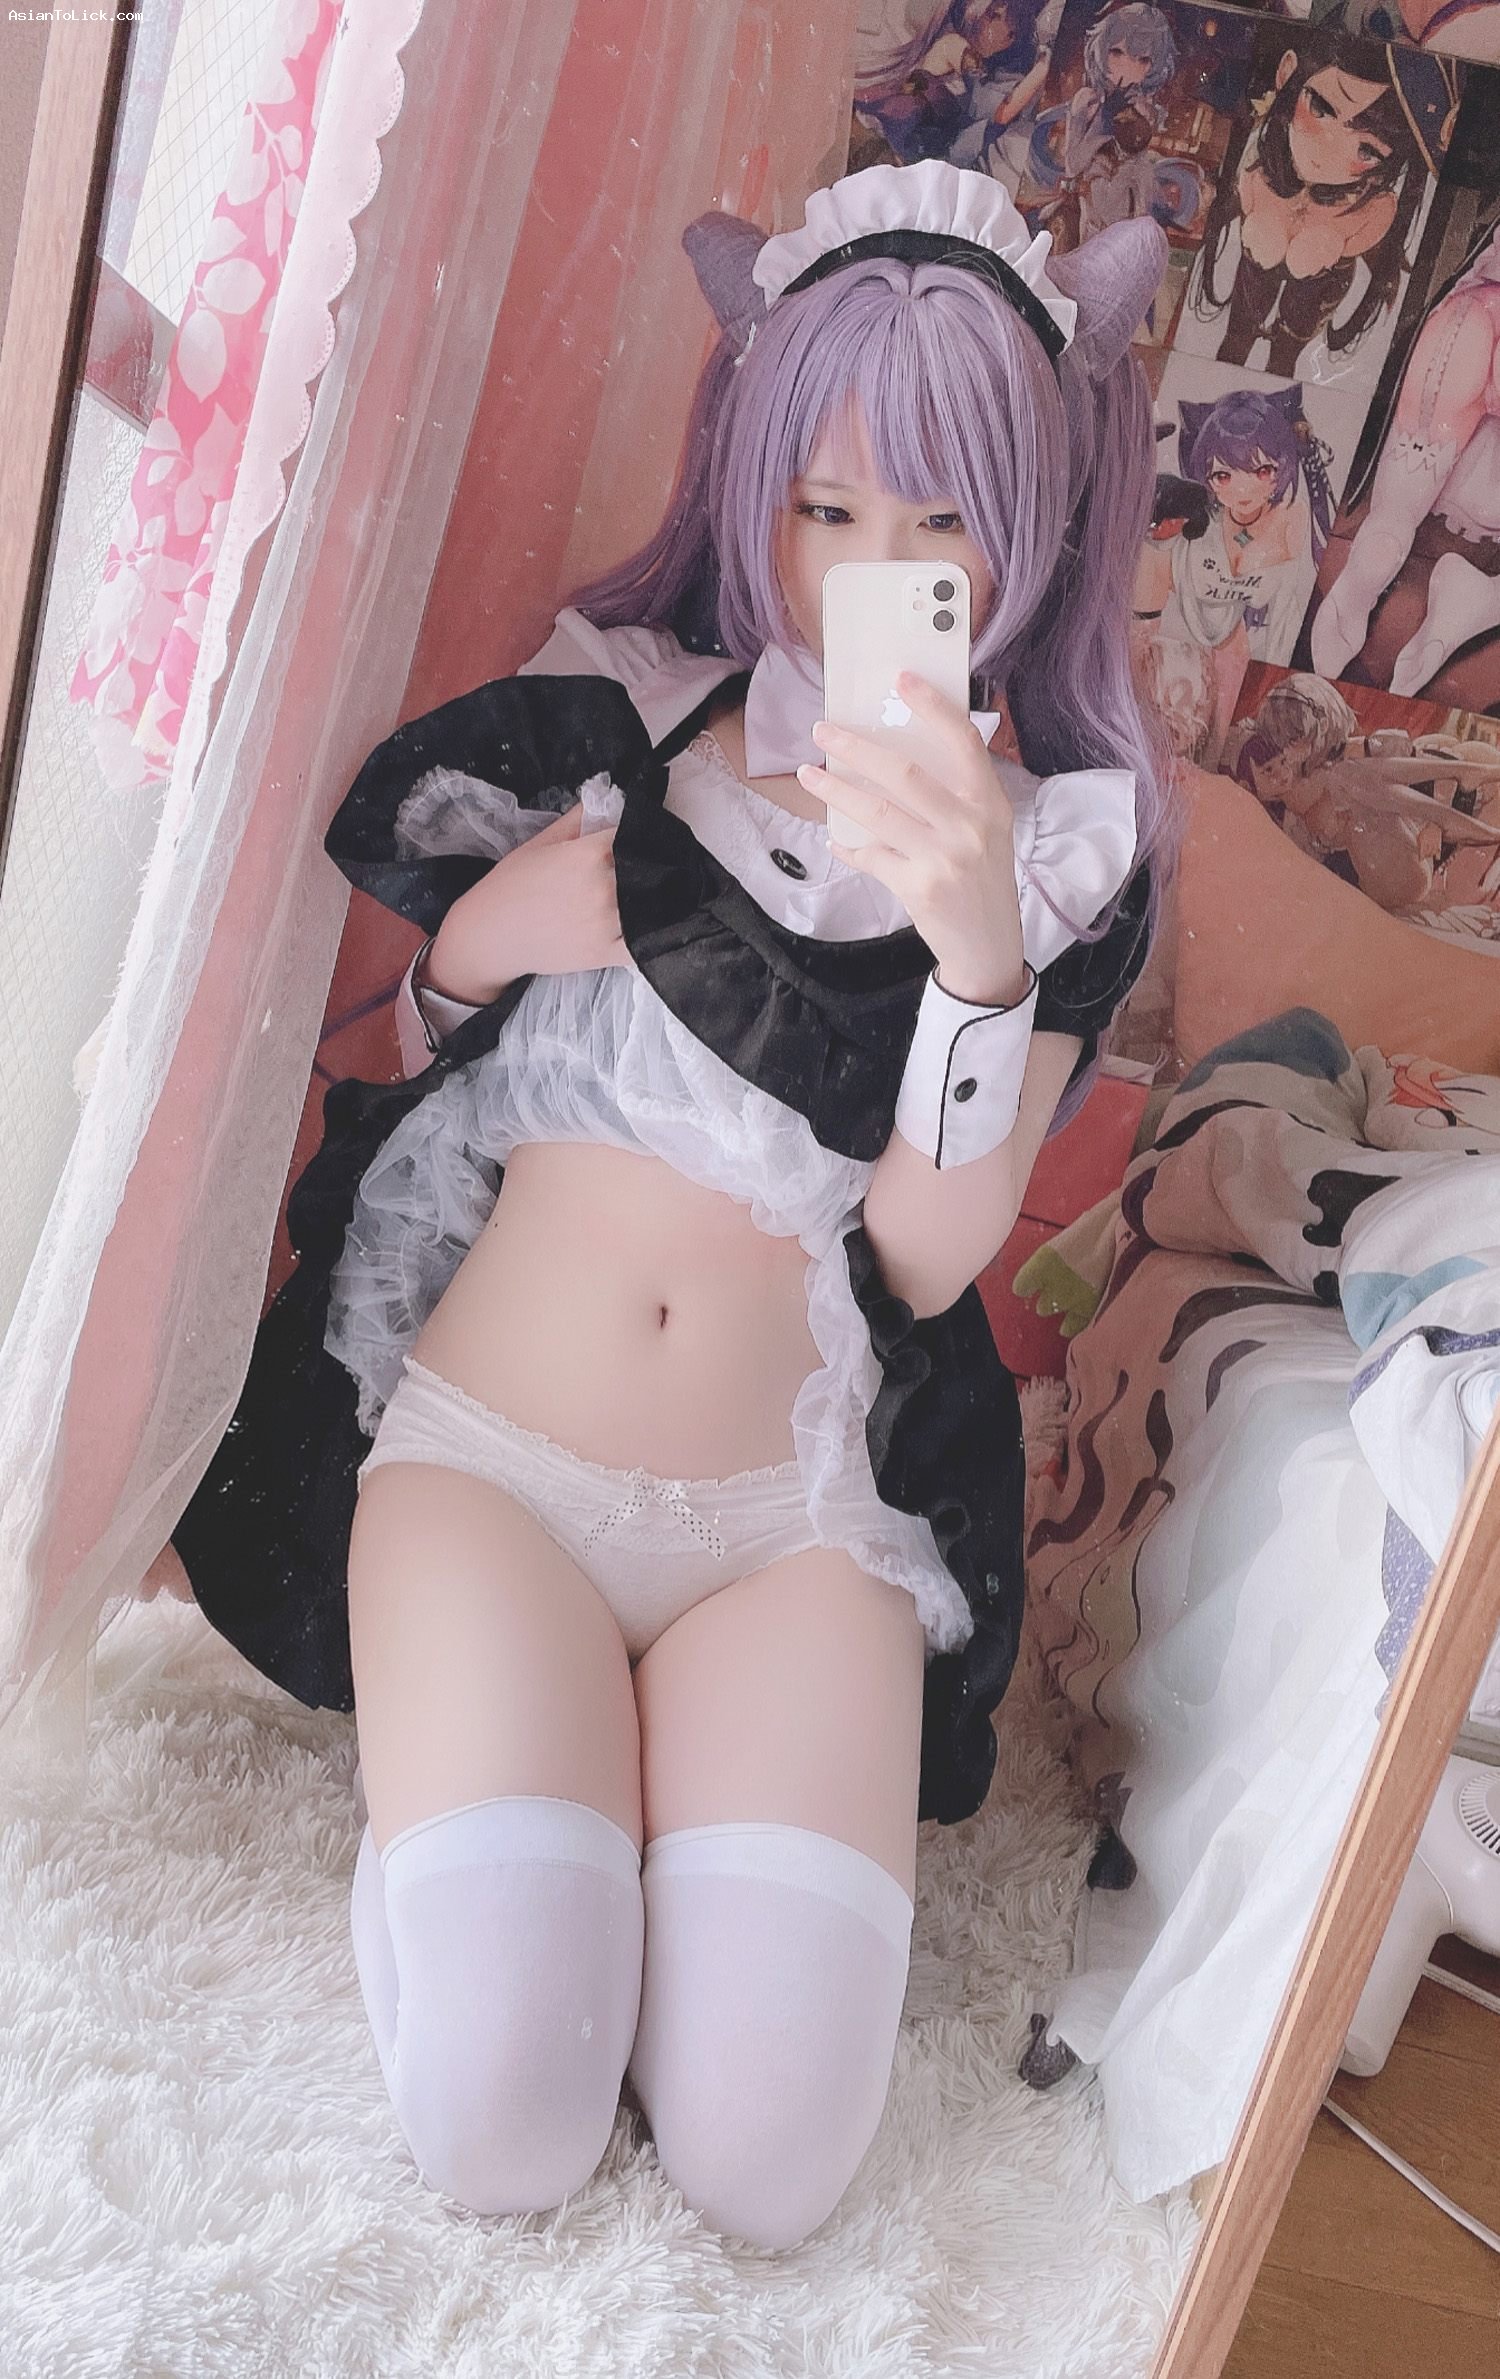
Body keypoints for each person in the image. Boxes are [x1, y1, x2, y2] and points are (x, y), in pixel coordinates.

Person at [171, 161, 1173, 2243]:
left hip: (791, 1532)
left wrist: (977, 961)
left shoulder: (1048, 855)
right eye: (827, 506)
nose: (871, 568)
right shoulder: (617, 714)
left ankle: (583, 1814)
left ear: (1036, 520)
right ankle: (500, 1831)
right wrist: (488, 942)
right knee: (507, 2122)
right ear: (754, 488)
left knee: (769, 2165)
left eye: (942, 520)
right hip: (497, 1473)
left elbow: (920, 1261)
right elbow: (381, 1064)